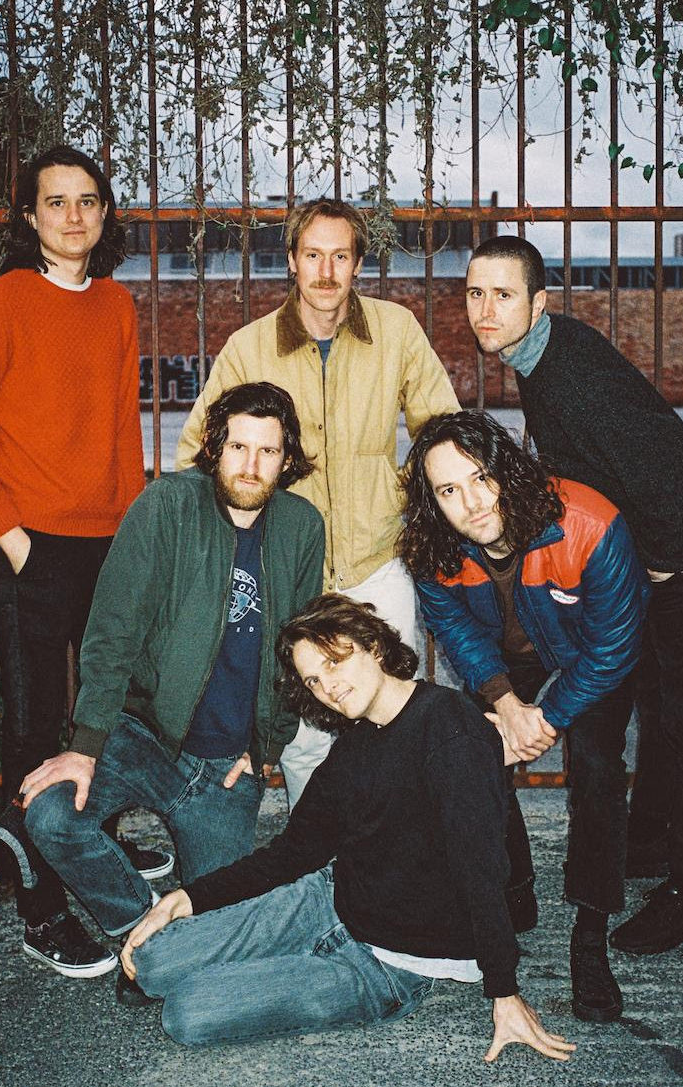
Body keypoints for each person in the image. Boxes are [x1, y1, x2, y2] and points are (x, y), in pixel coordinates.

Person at [116, 595, 575, 1064]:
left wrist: (504, 991)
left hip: (391, 963)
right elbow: (293, 852)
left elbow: (480, 866)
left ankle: (272, 969)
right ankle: (261, 955)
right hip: (332, 900)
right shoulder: (356, 745)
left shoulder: (448, 726)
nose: (327, 687)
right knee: (152, 963)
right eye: (313, 679)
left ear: (373, 647)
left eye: (335, 662)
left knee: (188, 1014)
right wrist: (189, 898)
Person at [464, 235, 683, 956]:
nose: (485, 310)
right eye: (475, 293)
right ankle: (650, 841)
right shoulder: (537, 354)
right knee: (653, 692)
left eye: (503, 295)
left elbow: (662, 477)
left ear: (538, 302)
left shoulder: (570, 372)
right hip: (661, 531)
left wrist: (653, 571)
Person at [0, 144, 171, 978]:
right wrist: (13, 540)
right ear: (30, 217)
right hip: (27, 544)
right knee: (36, 723)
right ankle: (38, 903)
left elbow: (118, 432)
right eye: (56, 202)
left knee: (98, 712)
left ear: (104, 215)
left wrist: (131, 532)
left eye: (88, 201)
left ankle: (89, 840)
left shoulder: (115, 305)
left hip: (105, 540)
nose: (74, 215)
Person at [17, 382, 325, 974]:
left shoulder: (301, 527)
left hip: (225, 774)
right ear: (215, 446)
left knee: (217, 942)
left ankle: (177, 942)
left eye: (267, 451)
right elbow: (112, 629)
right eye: (238, 447)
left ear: (287, 459)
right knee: (51, 816)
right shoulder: (167, 506)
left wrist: (268, 748)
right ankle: (140, 927)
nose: (251, 465)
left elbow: (299, 646)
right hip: (144, 737)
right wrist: (85, 748)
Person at [175, 198, 460, 805]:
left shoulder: (396, 330)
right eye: (313, 255)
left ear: (359, 263)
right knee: (305, 733)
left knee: (388, 714)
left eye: (340, 256)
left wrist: (396, 487)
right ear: (292, 262)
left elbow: (443, 430)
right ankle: (320, 861)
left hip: (377, 564)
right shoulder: (250, 348)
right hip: (289, 570)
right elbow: (199, 450)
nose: (326, 271)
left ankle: (388, 857)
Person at [400, 410, 649, 1022]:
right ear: (431, 500)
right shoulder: (429, 543)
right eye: (449, 490)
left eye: (481, 478)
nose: (472, 503)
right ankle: (514, 892)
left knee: (596, 767)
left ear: (507, 469)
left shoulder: (589, 521)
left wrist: (547, 719)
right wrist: (506, 706)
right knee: (473, 747)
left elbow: (615, 645)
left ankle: (589, 936)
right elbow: (454, 627)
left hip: (586, 657)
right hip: (507, 665)